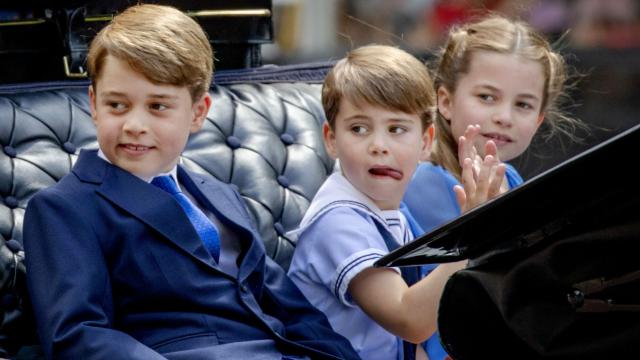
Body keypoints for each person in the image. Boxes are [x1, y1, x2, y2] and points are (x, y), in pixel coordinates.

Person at [22, 4, 359, 360]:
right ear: (93, 104)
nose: (134, 124)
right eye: (117, 105)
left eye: (158, 107)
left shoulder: (221, 195)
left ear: (198, 112)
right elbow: (77, 336)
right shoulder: (65, 208)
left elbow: (292, 309)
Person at [287, 45, 504, 360]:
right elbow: (409, 320)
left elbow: (403, 344)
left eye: (397, 129)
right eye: (359, 128)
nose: (379, 146)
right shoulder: (338, 222)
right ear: (331, 139)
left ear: (425, 143)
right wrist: (469, 234)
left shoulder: (388, 211)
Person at [404, 14, 584, 233]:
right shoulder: (425, 181)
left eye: (523, 105)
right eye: (487, 97)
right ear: (446, 102)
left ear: (538, 120)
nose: (505, 117)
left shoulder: (507, 176)